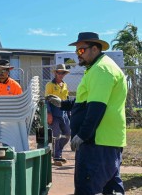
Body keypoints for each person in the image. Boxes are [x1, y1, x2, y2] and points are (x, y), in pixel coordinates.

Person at [46, 32, 127, 195]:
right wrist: (64, 104)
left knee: (87, 189)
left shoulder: (101, 70)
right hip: (106, 142)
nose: (78, 55)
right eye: (77, 51)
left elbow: (97, 107)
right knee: (110, 189)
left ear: (95, 49)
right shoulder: (97, 69)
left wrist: (83, 134)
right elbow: (86, 102)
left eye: (81, 50)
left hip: (97, 142)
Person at [45, 64, 71, 166]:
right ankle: (57, 157)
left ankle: (57, 152)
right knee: (56, 136)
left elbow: (67, 100)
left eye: (63, 72)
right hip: (54, 113)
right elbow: (47, 101)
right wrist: (49, 114)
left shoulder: (65, 85)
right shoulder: (49, 85)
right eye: (59, 72)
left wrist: (69, 114)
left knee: (68, 134)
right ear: (55, 73)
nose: (61, 74)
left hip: (64, 113)